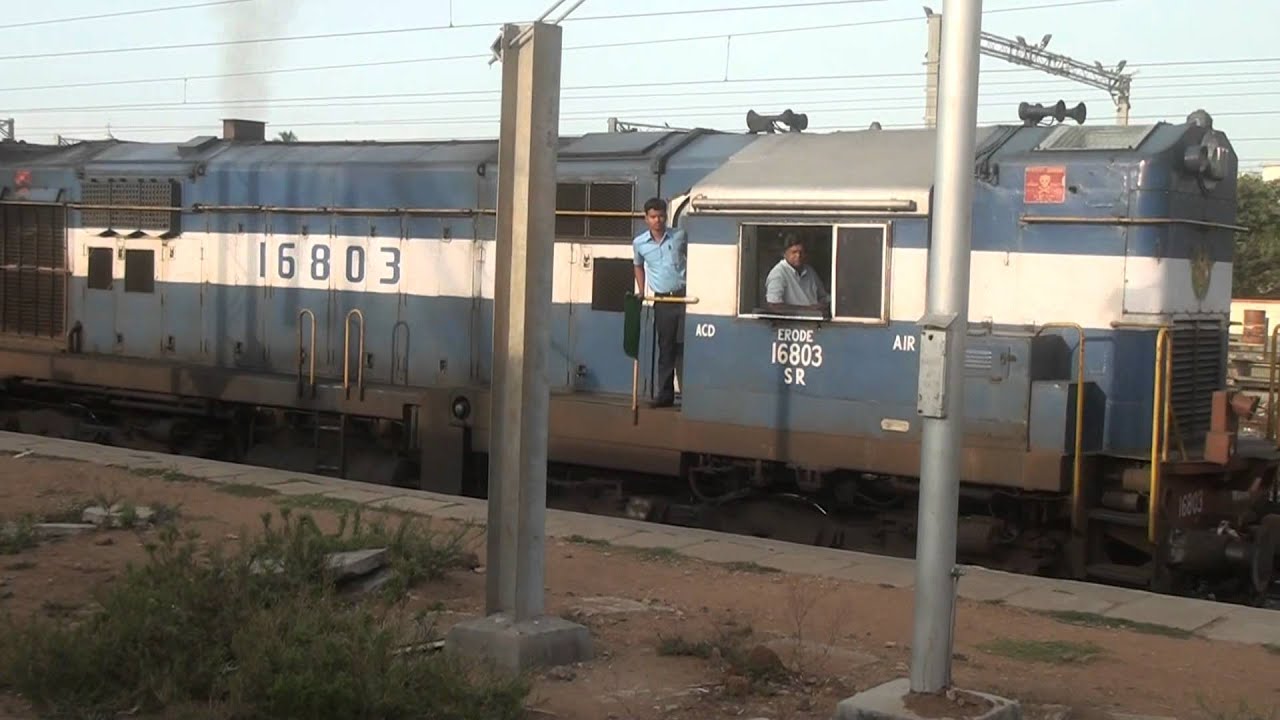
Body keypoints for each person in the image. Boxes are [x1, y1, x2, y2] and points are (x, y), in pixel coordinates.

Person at [633, 196, 686, 408]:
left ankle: (690, 395)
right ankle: (665, 395)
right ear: (646, 218)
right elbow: (638, 265)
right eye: (653, 217)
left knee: (686, 347)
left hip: (685, 298)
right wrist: (641, 290)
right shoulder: (639, 243)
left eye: (661, 216)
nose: (658, 220)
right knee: (666, 348)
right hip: (662, 301)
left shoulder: (680, 236)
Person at [764, 234, 829, 315]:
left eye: (801, 252)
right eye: (794, 252)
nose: (798, 256)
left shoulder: (810, 271)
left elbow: (823, 297)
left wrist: (823, 305)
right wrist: (809, 310)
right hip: (791, 322)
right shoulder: (778, 273)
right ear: (784, 253)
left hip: (815, 320)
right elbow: (773, 306)